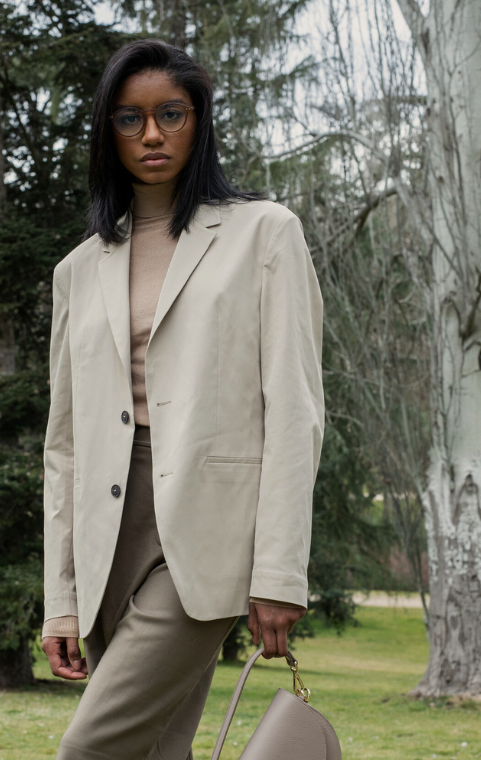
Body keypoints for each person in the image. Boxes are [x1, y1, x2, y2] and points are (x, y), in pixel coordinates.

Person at [40, 39, 324, 760]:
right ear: (109, 133)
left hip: (208, 529)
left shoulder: (265, 233)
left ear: (200, 121)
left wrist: (279, 572)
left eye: (171, 114)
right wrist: (61, 597)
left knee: (90, 748)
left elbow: (293, 408)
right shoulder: (78, 270)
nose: (153, 135)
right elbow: (64, 445)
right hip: (108, 532)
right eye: (130, 120)